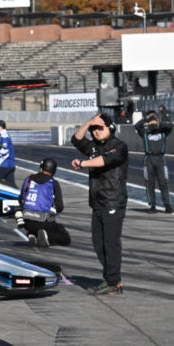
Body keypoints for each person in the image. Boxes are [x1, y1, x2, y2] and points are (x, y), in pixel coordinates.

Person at [71, 112, 129, 295]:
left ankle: (113, 282)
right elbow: (76, 139)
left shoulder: (119, 146)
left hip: (113, 201)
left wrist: (83, 163)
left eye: (100, 128)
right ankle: (111, 278)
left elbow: (104, 161)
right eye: (94, 129)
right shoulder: (94, 147)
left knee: (110, 244)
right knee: (98, 244)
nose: (96, 132)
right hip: (97, 202)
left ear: (110, 128)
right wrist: (89, 122)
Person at [15, 158, 70, 248]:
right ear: (54, 172)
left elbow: (20, 199)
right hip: (43, 221)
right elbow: (60, 206)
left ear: (41, 168)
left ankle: (32, 234)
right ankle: (46, 235)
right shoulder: (53, 183)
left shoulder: (28, 179)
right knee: (65, 237)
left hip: (26, 221)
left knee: (35, 224)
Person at [136, 111, 174, 213]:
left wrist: (159, 123)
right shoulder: (145, 133)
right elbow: (137, 126)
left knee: (164, 183)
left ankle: (167, 205)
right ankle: (152, 206)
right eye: (150, 122)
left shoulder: (163, 131)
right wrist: (146, 118)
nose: (152, 124)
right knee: (149, 184)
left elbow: (170, 125)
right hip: (149, 159)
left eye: (154, 121)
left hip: (161, 159)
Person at [0, 120, 16, 187]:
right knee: (11, 184)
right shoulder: (4, 134)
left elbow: (5, 150)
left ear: (0, 127)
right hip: (11, 164)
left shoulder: (4, 136)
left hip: (4, 164)